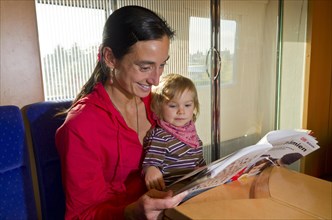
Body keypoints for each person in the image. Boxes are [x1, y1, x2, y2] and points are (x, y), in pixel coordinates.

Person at [55, 6, 188, 220]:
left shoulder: (156, 104)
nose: (155, 80)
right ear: (110, 57)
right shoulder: (81, 127)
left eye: (161, 65)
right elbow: (82, 215)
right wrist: (132, 212)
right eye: (145, 68)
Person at [142, 74, 206, 191]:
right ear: (158, 107)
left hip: (193, 184)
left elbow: (199, 159)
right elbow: (152, 162)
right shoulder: (161, 136)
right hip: (172, 188)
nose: (181, 111)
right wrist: (151, 169)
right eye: (172, 106)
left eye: (187, 105)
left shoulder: (190, 133)